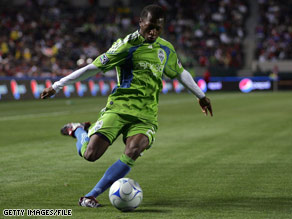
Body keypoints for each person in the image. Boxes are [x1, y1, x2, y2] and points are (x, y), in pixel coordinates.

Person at [41, 4, 213, 208]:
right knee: (90, 154)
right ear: (140, 23)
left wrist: (200, 95)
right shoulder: (125, 46)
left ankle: (91, 195)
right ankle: (78, 130)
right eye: (150, 26)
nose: (153, 32)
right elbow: (93, 68)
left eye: (158, 28)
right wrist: (57, 85)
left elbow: (179, 72)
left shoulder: (166, 48)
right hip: (119, 108)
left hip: (146, 114)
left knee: (134, 149)